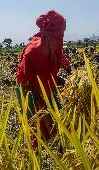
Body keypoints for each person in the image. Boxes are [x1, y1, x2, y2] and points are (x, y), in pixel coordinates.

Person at [15, 10, 72, 141]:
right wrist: (48, 91)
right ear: (54, 30)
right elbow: (29, 77)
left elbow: (59, 56)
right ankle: (37, 158)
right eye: (62, 29)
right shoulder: (35, 48)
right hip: (28, 91)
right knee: (37, 129)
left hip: (43, 86)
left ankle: (57, 144)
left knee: (56, 115)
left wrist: (71, 71)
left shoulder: (51, 42)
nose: (63, 33)